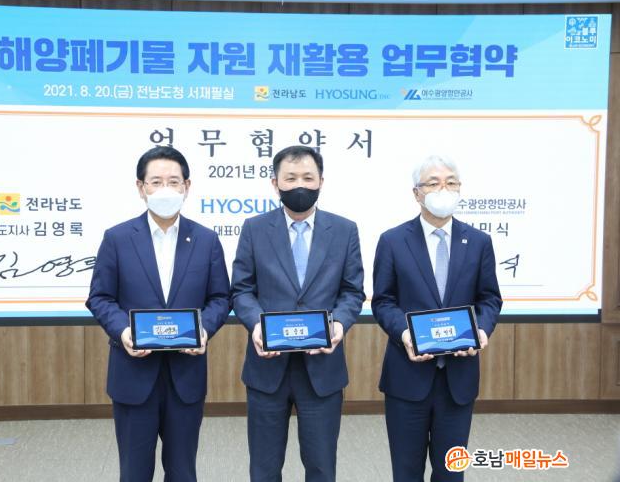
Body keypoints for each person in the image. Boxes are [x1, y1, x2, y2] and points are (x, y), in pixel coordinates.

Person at [86, 146, 230, 482]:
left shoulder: (206, 240)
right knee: (134, 473)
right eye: (156, 181)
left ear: (186, 186)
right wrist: (124, 332)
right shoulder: (117, 238)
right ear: (141, 187)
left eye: (173, 181)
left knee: (183, 471)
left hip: (186, 375)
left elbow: (221, 298)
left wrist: (204, 329)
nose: (165, 189)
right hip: (133, 374)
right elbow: (100, 297)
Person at [231, 145, 365, 482]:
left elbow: (352, 291)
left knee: (321, 467)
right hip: (267, 368)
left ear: (322, 182)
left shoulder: (345, 230)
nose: (300, 185)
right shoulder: (254, 228)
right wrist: (256, 325)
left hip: (322, 369)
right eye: (290, 178)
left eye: (308, 177)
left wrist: (339, 324)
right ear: (275, 183)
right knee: (264, 469)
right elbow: (242, 290)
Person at [372, 155, 502, 482]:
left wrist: (481, 330)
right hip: (407, 378)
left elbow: (489, 298)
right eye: (433, 183)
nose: (444, 189)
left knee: (451, 473)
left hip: (458, 380)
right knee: (406, 472)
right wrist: (405, 334)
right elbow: (383, 301)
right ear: (417, 193)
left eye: (451, 183)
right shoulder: (393, 241)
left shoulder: (479, 242)